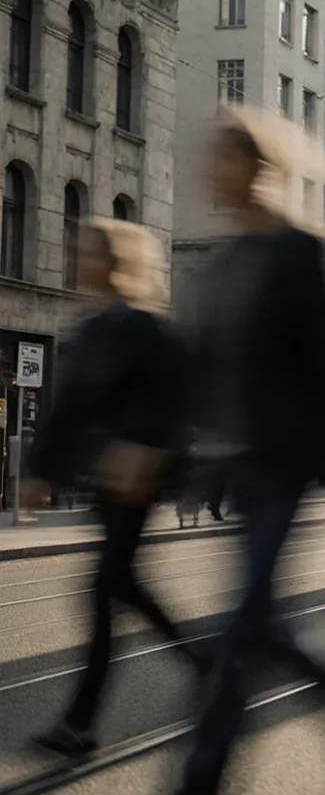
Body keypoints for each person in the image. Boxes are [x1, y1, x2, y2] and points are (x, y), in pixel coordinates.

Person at [174, 110, 325, 794]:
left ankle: (199, 778)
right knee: (261, 624)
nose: (214, 171)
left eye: (226, 159)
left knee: (239, 633)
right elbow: (206, 371)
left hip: (284, 464)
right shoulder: (224, 260)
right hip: (236, 464)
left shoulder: (296, 252)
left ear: (257, 169)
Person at [24, 218, 204, 754]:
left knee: (104, 590)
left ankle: (79, 722)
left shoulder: (148, 327)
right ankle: (206, 664)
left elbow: (177, 405)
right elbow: (67, 409)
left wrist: (147, 454)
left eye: (93, 253)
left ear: (118, 261)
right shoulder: (91, 327)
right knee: (123, 587)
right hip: (101, 479)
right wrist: (39, 470)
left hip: (135, 481)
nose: (81, 260)